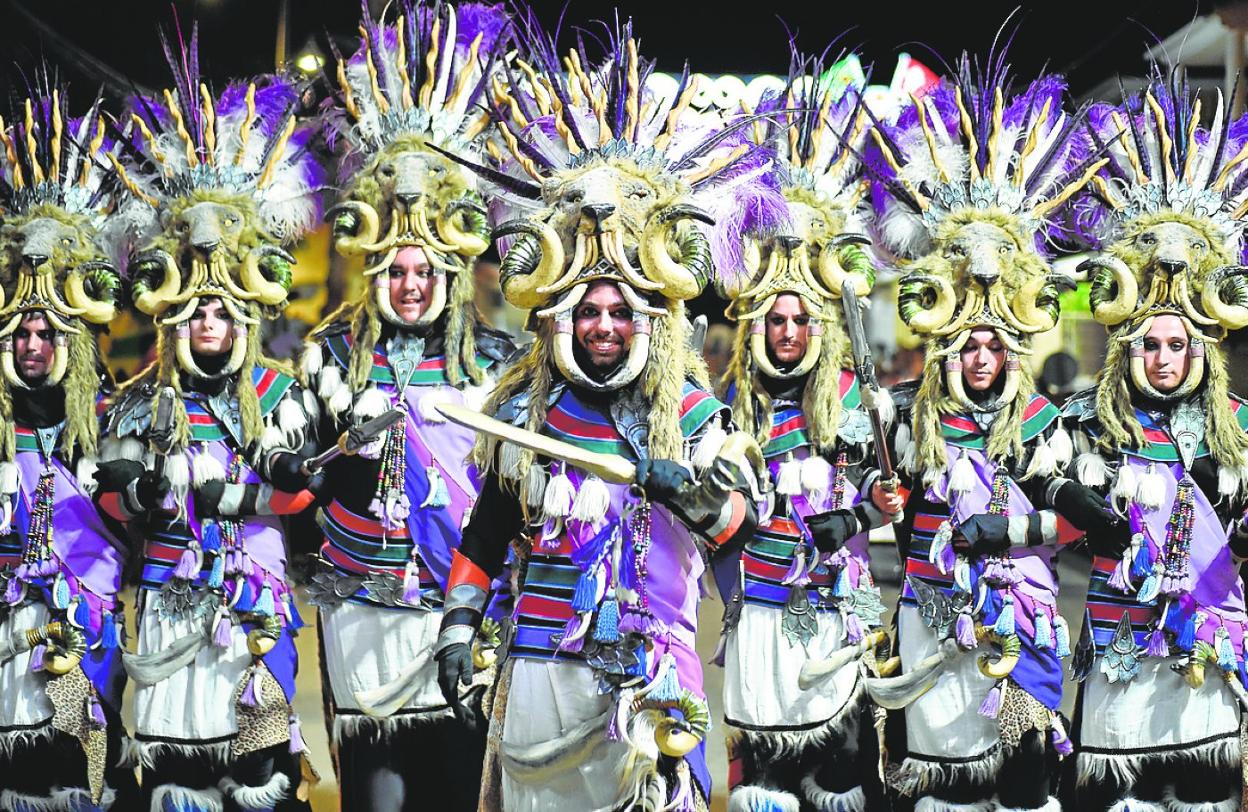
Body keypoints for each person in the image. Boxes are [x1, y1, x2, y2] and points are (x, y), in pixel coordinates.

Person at [431, 19, 766, 810]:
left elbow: (739, 528)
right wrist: (456, 629)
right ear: (562, 321)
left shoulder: (691, 413)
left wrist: (691, 493)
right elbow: (485, 531)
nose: (605, 325)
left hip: (647, 682)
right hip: (538, 672)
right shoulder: (526, 411)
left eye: (620, 310)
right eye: (590, 311)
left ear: (648, 320)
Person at [866, 60, 1105, 812]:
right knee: (941, 788)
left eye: (994, 345)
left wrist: (1004, 528)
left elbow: (1076, 528)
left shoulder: (1040, 423)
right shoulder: (909, 417)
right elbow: (893, 518)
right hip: (930, 623)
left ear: (1013, 350)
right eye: (967, 343)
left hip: (1021, 623)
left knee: (1022, 783)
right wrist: (881, 499)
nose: (980, 355)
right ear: (946, 346)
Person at [95, 43, 324, 810]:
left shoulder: (282, 393)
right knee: (174, 784)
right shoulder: (135, 403)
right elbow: (114, 516)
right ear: (169, 312)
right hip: (165, 616)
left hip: (255, 622)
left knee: (263, 785)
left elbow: (296, 505)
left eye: (224, 308)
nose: (210, 321)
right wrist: (133, 496)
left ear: (247, 311)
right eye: (196, 309)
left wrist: (270, 490)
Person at [301, 6, 515, 807]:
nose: (412, 283)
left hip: (458, 613)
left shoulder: (494, 362)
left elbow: (509, 497)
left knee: (458, 792)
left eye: (425, 270)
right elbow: (299, 493)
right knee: (378, 797)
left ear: (453, 273)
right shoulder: (327, 360)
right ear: (373, 272)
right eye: (396, 270)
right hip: (363, 618)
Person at [709, 62, 902, 812]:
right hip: (757, 618)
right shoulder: (732, 410)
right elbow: (713, 518)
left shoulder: (858, 401)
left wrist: (861, 512)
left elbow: (889, 499)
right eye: (775, 319)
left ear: (822, 325)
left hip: (838, 622)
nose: (788, 332)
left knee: (841, 781)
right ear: (756, 324)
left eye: (801, 320)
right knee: (767, 786)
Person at [1061, 75, 1248, 812]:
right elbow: (1055, 526)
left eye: (1178, 343)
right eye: (1149, 344)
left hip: (1206, 649)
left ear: (1202, 347)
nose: (1164, 357)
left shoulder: (1239, 424)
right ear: (1123, 349)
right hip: (1119, 654)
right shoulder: (1084, 422)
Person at [0, 90, 139, 809]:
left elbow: (140, 518)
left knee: (82, 777)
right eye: (19, 332)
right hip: (6, 634)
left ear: (72, 339)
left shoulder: (109, 418)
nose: (30, 345)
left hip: (86, 633)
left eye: (46, 332)